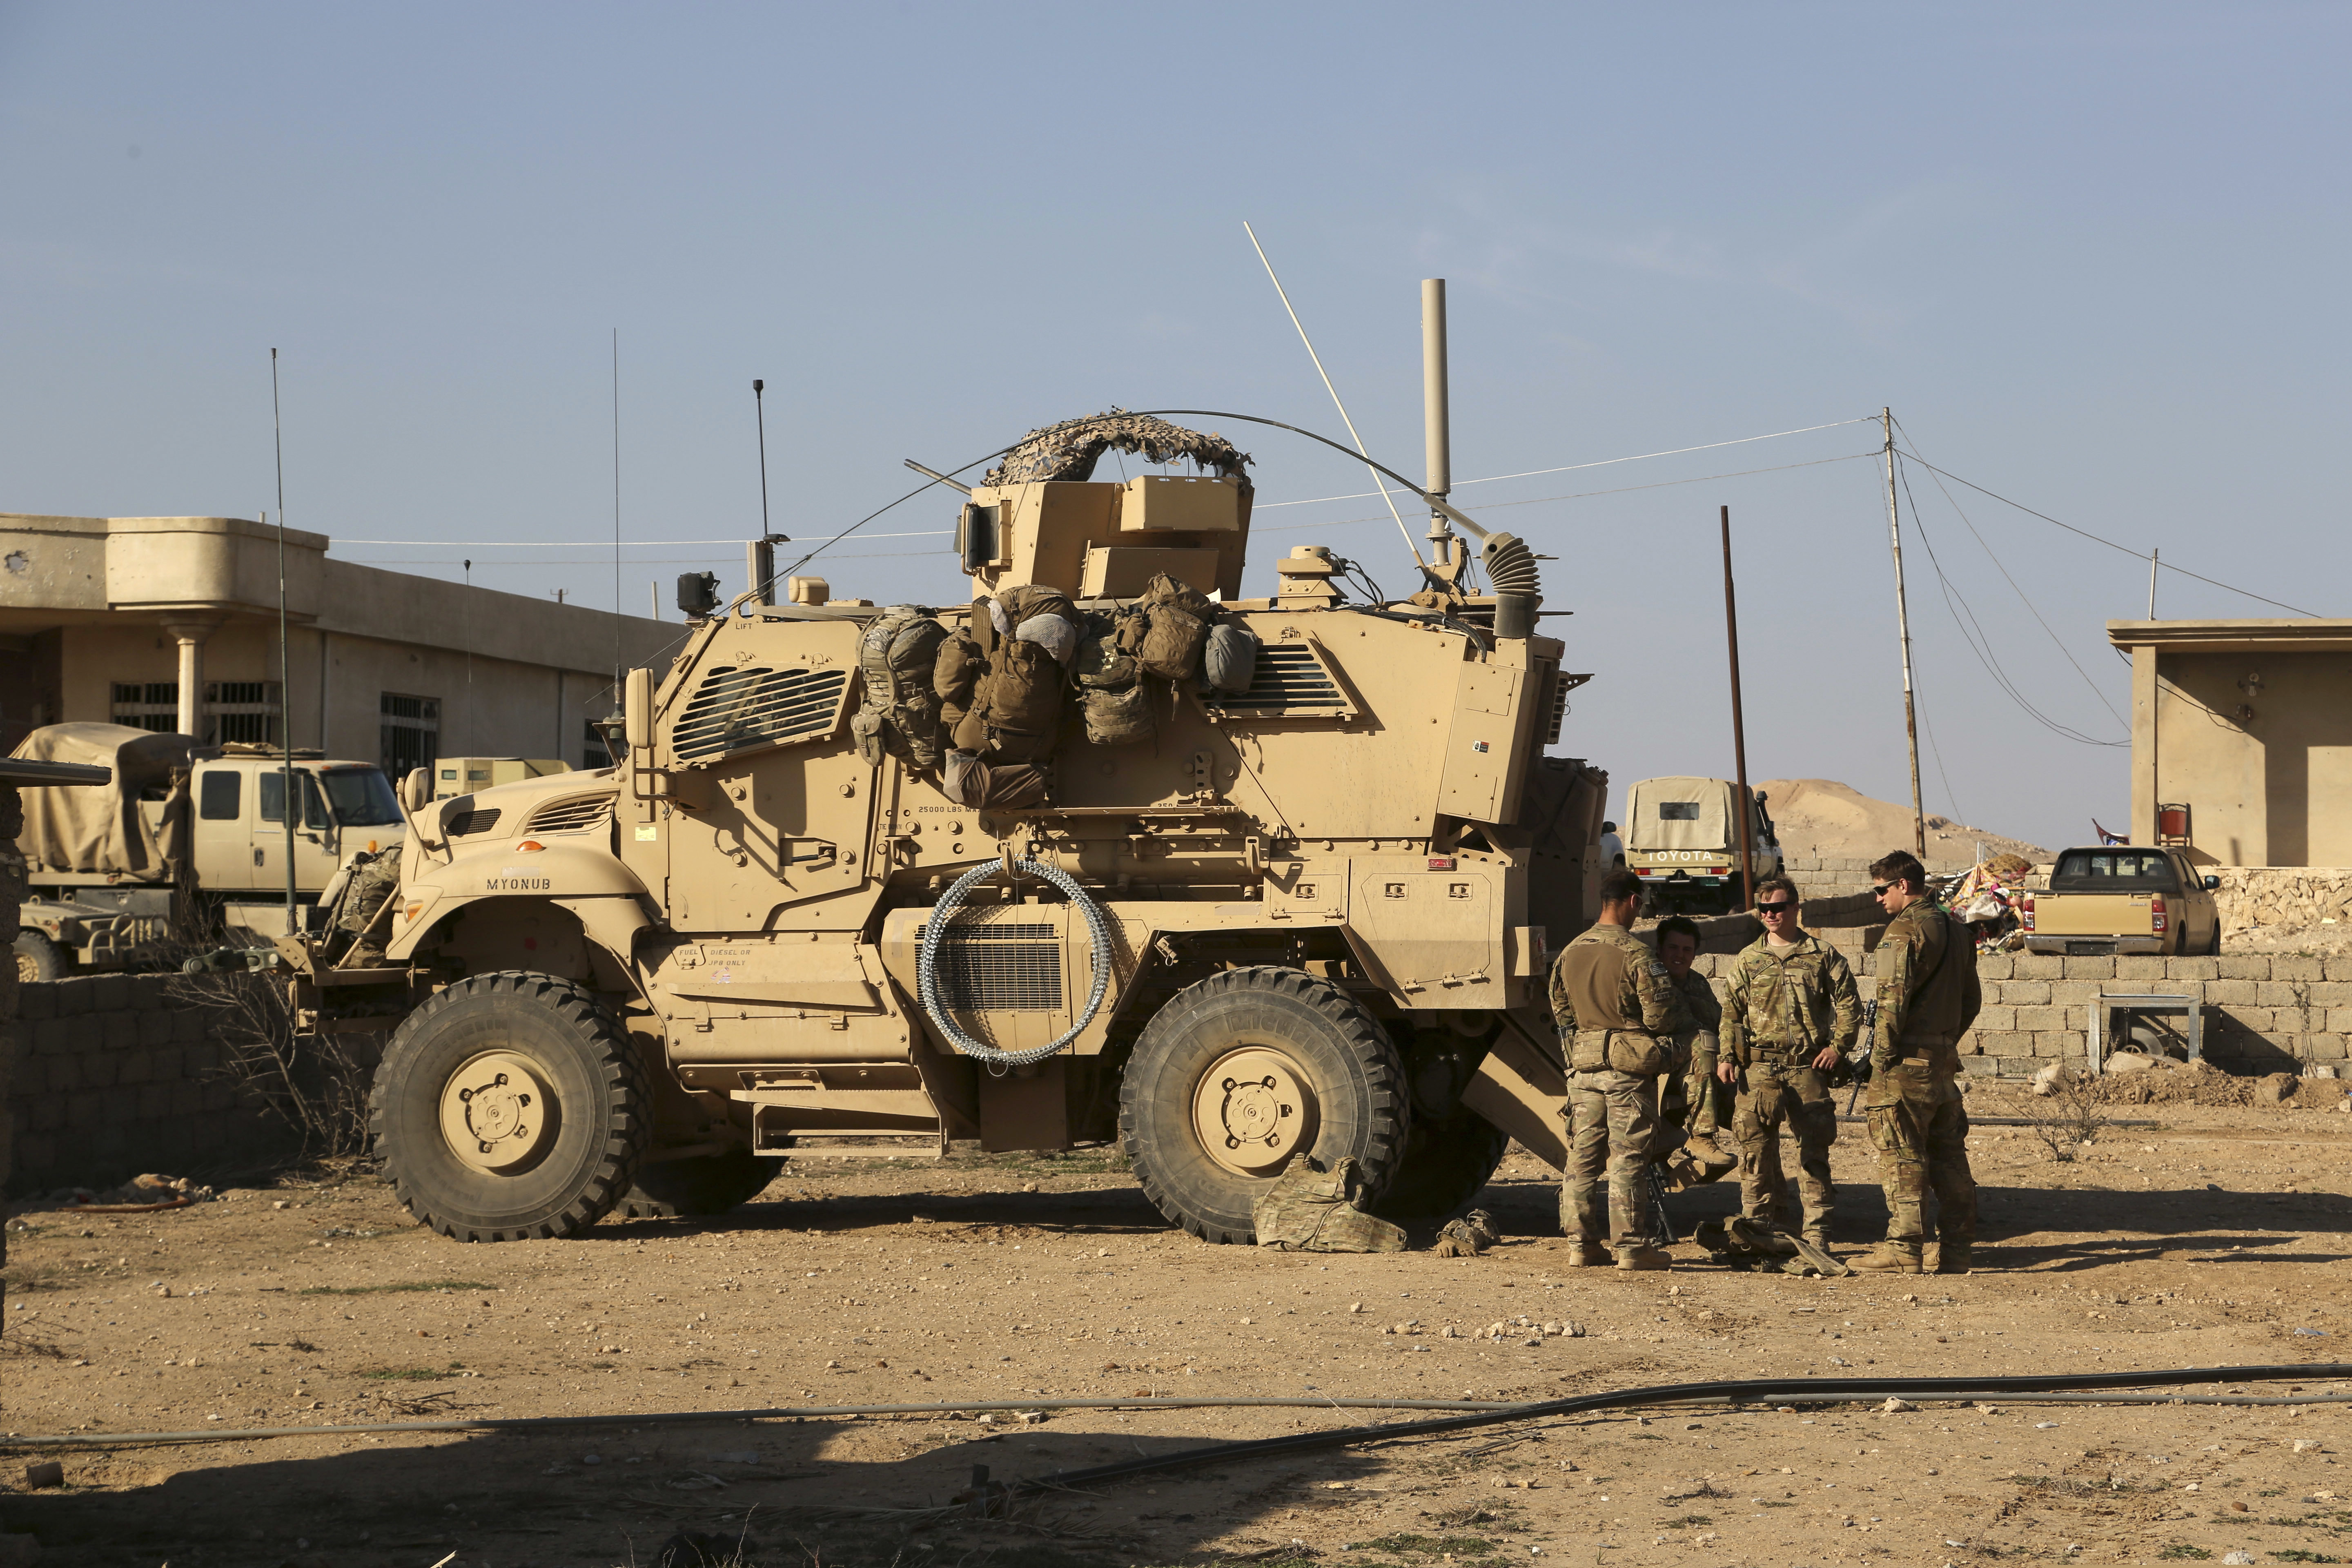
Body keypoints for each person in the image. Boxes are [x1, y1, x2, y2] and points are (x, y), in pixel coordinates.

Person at [1550, 869, 1692, 1270]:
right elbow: (1661, 1016)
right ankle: (1631, 1247)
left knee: (1582, 1155)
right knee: (1629, 1155)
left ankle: (1581, 1245)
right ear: (1632, 901)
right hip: (1626, 1070)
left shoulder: (1569, 953)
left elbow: (1562, 1017)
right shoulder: (1637, 954)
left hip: (1583, 1067)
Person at [1853, 849, 1983, 1275]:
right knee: (1948, 1156)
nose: (1878, 899)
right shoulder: (1957, 929)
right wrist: (1945, 1041)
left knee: (1902, 1153)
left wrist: (1881, 1059)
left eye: (1881, 890)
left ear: (1902, 885)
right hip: (1942, 1061)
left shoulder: (1904, 930)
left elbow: (1891, 1002)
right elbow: (1971, 1000)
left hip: (1905, 1063)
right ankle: (1957, 1250)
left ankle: (1904, 1247)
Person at [1718, 875, 1860, 1246]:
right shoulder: (1749, 960)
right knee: (1755, 1154)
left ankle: (1817, 1233)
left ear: (1796, 908)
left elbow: (1849, 1006)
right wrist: (1728, 1055)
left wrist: (1838, 1047)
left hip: (1807, 1068)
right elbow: (1731, 1013)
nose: (1770, 915)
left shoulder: (1823, 955)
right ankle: (1757, 1229)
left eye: (1778, 908)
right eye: (1764, 909)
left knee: (1813, 1154)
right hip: (1760, 1069)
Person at [1653, 916, 1737, 1178]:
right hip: (1662, 1063)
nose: (1680, 955)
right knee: (1702, 1043)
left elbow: (1719, 1022)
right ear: (1660, 949)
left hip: (1700, 1065)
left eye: (1687, 950)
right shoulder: (1652, 981)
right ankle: (1701, 1137)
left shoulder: (1698, 983)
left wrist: (1730, 1057)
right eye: (1673, 948)